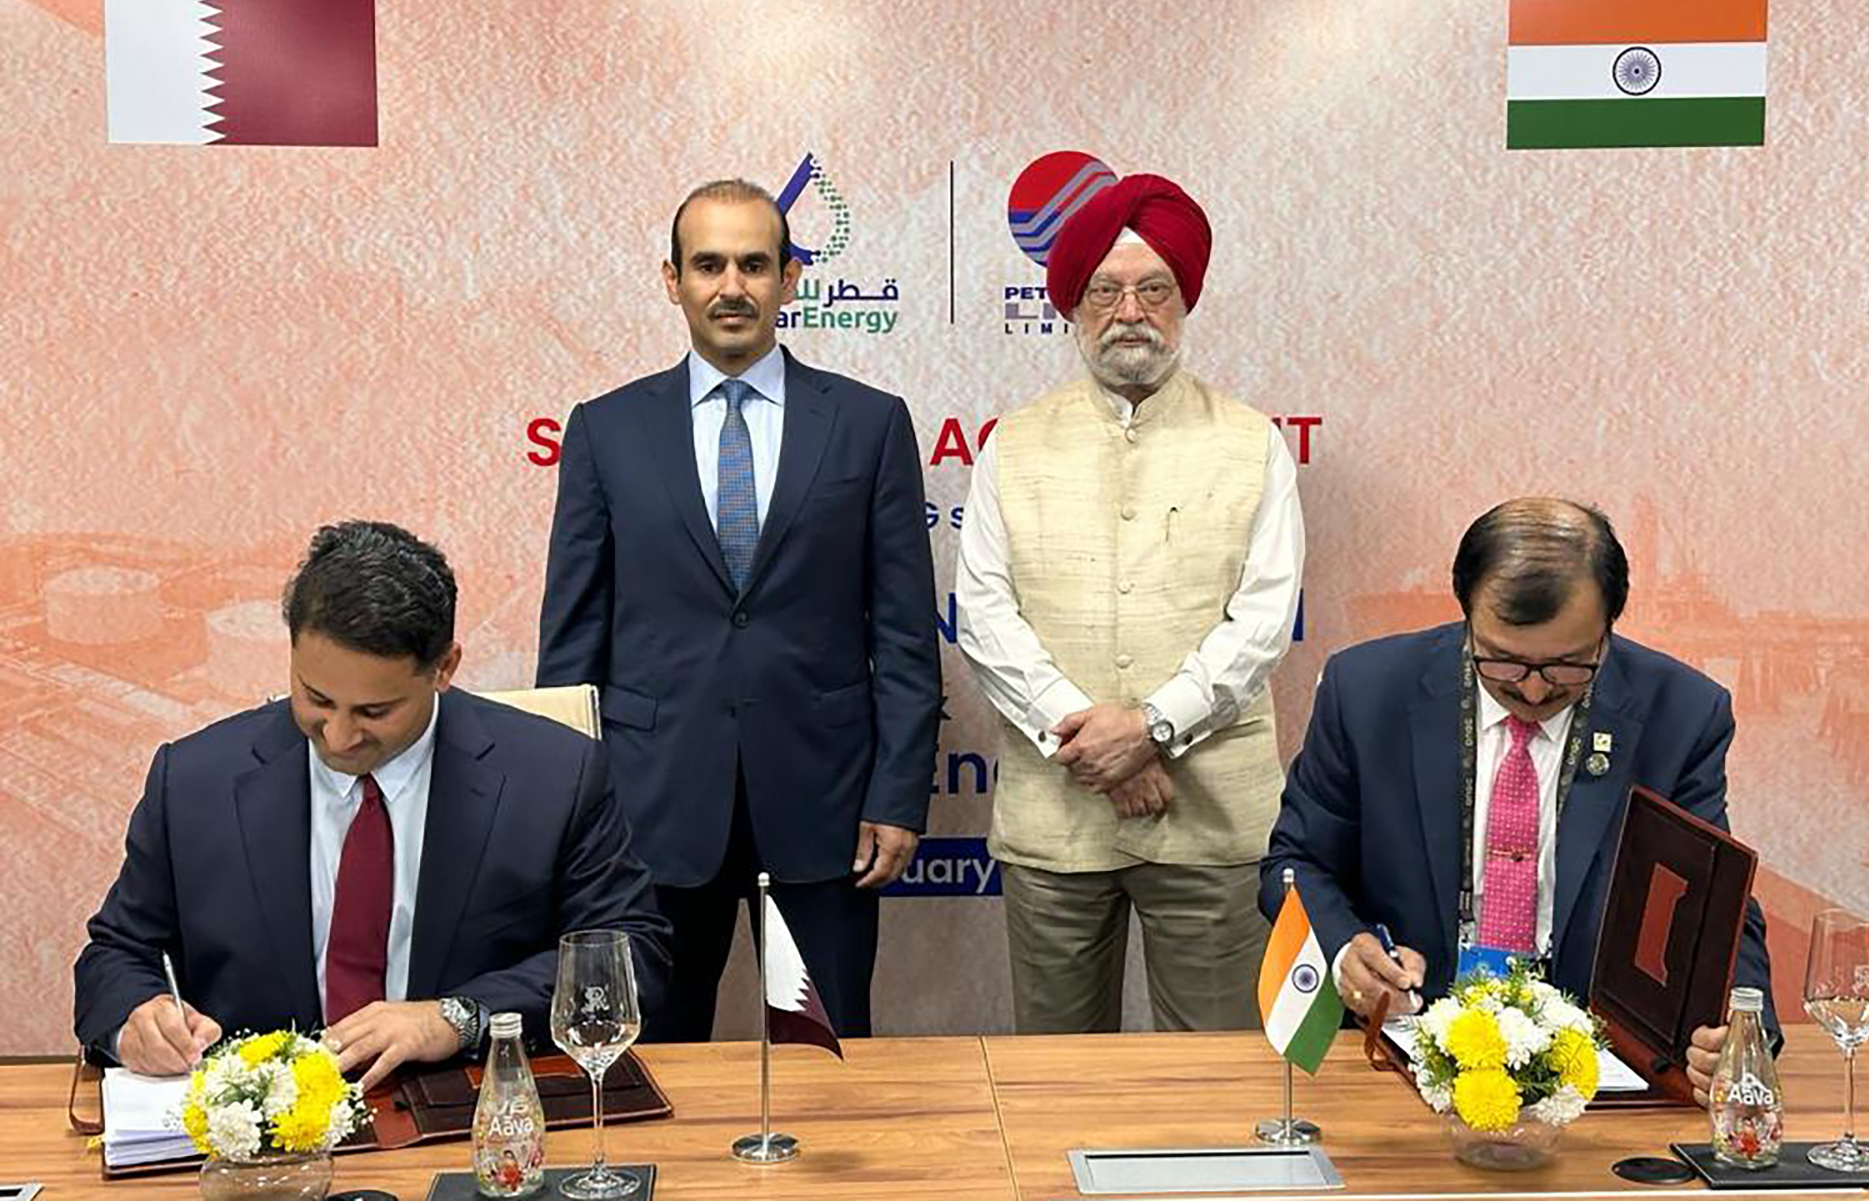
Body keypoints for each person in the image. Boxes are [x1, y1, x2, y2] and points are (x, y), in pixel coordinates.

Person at [537, 179, 940, 1041]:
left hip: (826, 806)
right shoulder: (606, 430)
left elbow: (907, 634)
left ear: (790, 278)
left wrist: (899, 796)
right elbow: (572, 642)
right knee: (654, 1063)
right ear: (672, 279)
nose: (732, 286)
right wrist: (569, 816)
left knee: (827, 1058)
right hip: (649, 812)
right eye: (709, 264)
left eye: (754, 265)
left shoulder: (868, 425)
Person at [74, 521, 670, 1089]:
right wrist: (136, 1018)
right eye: (316, 699)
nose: (338, 737)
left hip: (465, 1106)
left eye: (374, 712)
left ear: (444, 668)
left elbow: (628, 956)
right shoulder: (194, 779)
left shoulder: (554, 776)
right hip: (260, 1126)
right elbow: (116, 955)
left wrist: (458, 1018)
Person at [1262, 497, 1775, 1104]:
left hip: (1594, 1068)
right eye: (1503, 662)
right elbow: (1297, 863)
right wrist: (1348, 949)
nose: (1532, 690)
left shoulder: (1681, 713)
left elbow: (1719, 910)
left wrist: (1742, 1031)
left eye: (1567, 667)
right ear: (1467, 615)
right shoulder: (1368, 691)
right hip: (1404, 1053)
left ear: (1608, 629)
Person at [955, 173, 1305, 1033]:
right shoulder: (1012, 444)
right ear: (1073, 307)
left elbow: (1262, 620)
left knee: (1216, 1072)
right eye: (1105, 291)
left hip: (1212, 821)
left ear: (1185, 302)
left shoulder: (1252, 442)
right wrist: (1093, 742)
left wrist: (1152, 727)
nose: (1130, 312)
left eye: (1154, 290)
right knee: (1058, 1076)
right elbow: (985, 614)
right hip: (1056, 819)